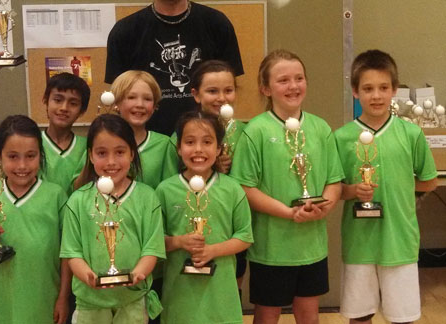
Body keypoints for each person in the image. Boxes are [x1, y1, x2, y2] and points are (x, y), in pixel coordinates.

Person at [230, 49, 344, 324]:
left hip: (311, 246)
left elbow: (334, 180)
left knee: (309, 316)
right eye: (283, 80)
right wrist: (288, 212)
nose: (293, 86)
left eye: (299, 78)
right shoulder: (255, 131)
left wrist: (323, 208)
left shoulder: (320, 128)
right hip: (272, 248)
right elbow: (245, 187)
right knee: (267, 316)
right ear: (265, 88)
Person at [334, 50, 437, 324]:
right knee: (360, 316)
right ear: (355, 92)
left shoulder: (411, 133)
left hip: (399, 239)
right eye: (368, 89)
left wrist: (402, 186)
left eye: (383, 88)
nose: (376, 95)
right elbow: (335, 189)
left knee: (402, 317)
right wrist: (354, 191)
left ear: (393, 90)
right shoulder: (341, 138)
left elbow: (429, 180)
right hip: (359, 242)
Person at [105, 0, 244, 136]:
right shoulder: (125, 32)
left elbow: (232, 91)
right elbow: (118, 98)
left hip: (205, 145)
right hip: (147, 145)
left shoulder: (217, 24)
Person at [60, 114, 165, 323]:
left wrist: (138, 273)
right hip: (90, 303)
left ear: (132, 154)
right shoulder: (77, 201)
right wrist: (87, 275)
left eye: (120, 152)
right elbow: (71, 252)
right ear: (90, 156)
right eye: (101, 153)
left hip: (133, 300)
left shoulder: (147, 197)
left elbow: (152, 248)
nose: (111, 162)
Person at [0, 115, 70, 324]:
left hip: (45, 295)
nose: (22, 165)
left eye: (30, 156)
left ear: (40, 155)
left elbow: (67, 253)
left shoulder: (56, 196)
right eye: (13, 156)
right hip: (4, 296)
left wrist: (63, 297)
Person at [156, 111, 253, 324]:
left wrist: (212, 250)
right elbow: (153, 242)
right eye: (190, 142)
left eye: (207, 142)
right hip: (179, 296)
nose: (198, 149)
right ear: (179, 148)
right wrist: (179, 241)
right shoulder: (164, 190)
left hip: (221, 297)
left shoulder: (232, 189)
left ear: (218, 148)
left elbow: (245, 237)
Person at [0, 51, 91, 195]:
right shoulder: (30, 140)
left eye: (73, 103)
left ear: (82, 111)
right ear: (46, 101)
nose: (64, 108)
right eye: (58, 100)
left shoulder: (88, 147)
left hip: (74, 217)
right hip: (38, 216)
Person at [110, 70, 178, 188]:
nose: (140, 104)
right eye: (131, 97)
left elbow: (170, 188)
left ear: (154, 106)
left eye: (147, 99)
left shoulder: (165, 144)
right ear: (117, 102)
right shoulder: (103, 141)